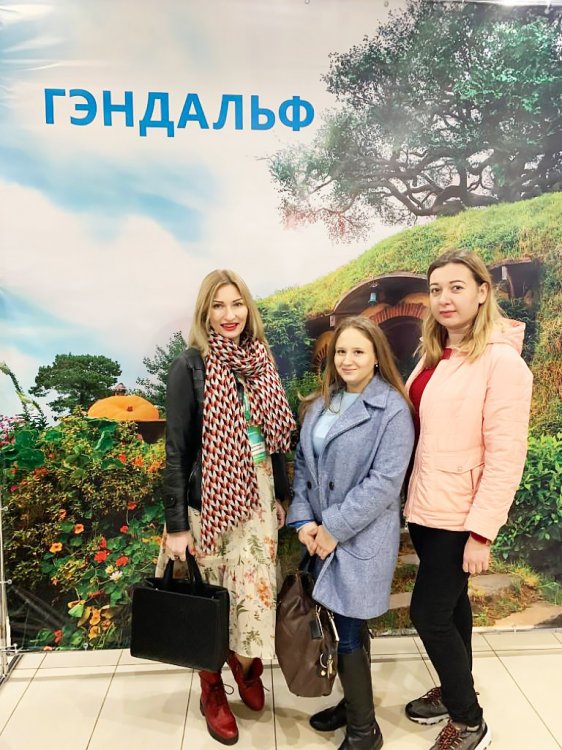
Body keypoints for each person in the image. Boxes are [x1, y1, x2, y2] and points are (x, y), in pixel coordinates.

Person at [403, 249, 533, 750]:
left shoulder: (502, 363)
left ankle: (469, 721)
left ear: (482, 292)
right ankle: (457, 687)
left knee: (428, 614)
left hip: (461, 516)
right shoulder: (437, 353)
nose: (444, 298)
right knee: (453, 607)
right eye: (436, 289)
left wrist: (481, 532)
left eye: (456, 287)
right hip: (428, 506)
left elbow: (506, 456)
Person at [159, 269, 295, 746]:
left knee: (254, 594)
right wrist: (178, 526)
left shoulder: (260, 361)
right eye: (218, 305)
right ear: (205, 313)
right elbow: (176, 452)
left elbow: (275, 440)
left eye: (237, 304)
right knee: (213, 597)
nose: (229, 314)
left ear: (248, 309)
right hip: (212, 500)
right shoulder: (190, 366)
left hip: (257, 496)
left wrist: (279, 495)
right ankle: (212, 687)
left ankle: (246, 666)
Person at [288, 316, 415, 750]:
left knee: (348, 631)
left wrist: (334, 528)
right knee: (338, 626)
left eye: (358, 351)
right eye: (341, 352)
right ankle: (351, 706)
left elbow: (384, 483)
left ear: (377, 357)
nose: (347, 360)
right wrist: (304, 521)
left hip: (360, 539)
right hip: (320, 536)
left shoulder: (391, 410)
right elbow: (303, 465)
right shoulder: (321, 402)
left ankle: (364, 732)